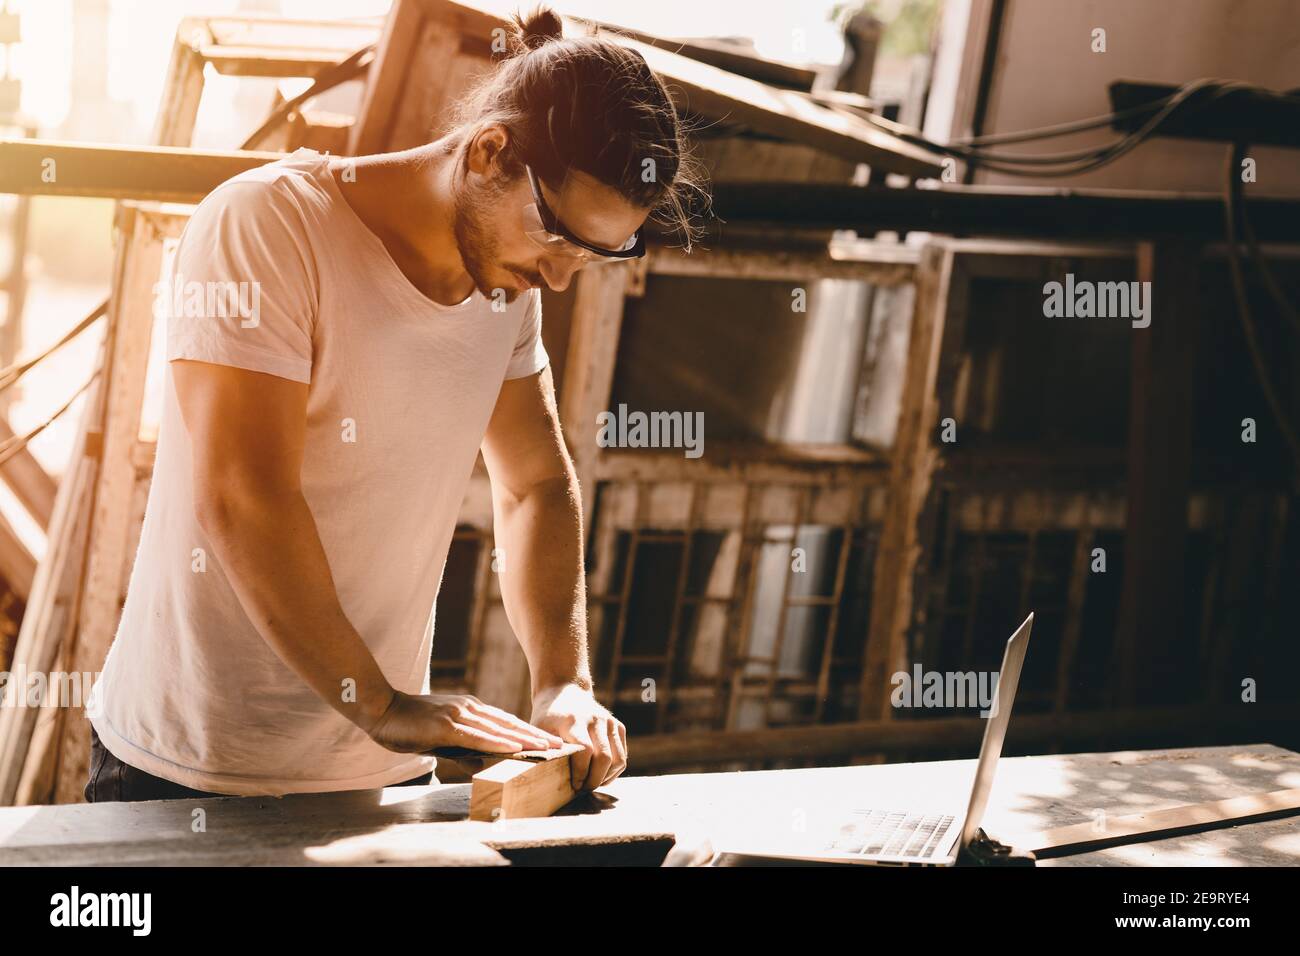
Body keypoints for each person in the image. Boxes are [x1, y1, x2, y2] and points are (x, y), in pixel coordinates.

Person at [85, 6, 706, 802]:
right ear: (489, 152)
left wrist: (562, 683)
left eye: (590, 255)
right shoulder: (267, 225)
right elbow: (244, 497)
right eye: (554, 238)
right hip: (189, 764)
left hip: (382, 772)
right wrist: (376, 703)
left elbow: (535, 486)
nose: (557, 277)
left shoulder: (506, 288)